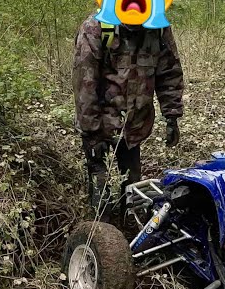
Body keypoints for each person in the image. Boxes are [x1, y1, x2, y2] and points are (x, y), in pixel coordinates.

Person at [72, 15, 185, 216]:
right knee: (100, 192)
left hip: (134, 126)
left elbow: (169, 73)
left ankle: (129, 225)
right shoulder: (95, 27)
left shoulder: (158, 28)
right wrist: (91, 132)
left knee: (133, 189)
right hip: (100, 124)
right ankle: (100, 229)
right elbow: (84, 83)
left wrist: (172, 116)